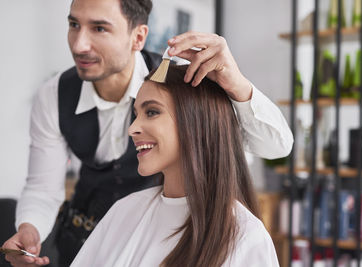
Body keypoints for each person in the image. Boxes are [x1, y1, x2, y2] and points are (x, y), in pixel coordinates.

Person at [2, 0, 293, 265]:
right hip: (88, 238)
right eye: (73, 25)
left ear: (138, 37)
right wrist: (30, 228)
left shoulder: (178, 82)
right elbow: (42, 186)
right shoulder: (54, 95)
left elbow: (276, 146)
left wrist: (237, 84)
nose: (79, 45)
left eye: (99, 28)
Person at [71, 64, 280, 267]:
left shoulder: (245, 237)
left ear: (195, 121)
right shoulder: (124, 212)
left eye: (151, 112)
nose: (132, 128)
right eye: (135, 115)